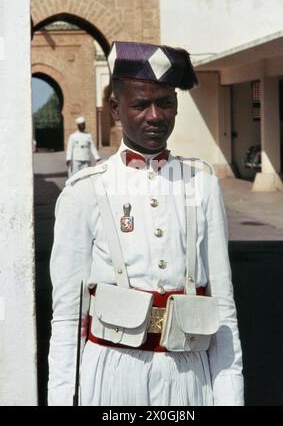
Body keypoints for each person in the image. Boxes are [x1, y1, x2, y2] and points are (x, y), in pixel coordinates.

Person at [48, 41, 244, 406]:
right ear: (116, 109)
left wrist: (229, 397)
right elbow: (67, 316)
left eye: (165, 103)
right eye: (140, 104)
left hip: (187, 374)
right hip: (111, 374)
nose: (155, 116)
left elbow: (223, 306)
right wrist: (62, 398)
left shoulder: (200, 182)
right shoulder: (86, 190)